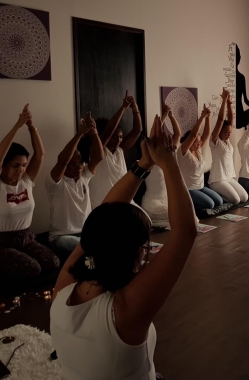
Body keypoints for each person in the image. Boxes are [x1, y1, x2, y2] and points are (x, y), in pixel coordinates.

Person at [51, 115, 197, 380]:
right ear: (136, 254)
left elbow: (107, 212)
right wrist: (169, 161)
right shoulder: (124, 312)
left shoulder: (63, 288)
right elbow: (185, 233)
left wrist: (143, 165)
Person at [0, 104, 59, 279]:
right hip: (2, 243)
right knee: (33, 268)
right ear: (3, 166)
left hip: (26, 238)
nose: (21, 170)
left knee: (53, 262)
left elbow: (40, 155)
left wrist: (31, 126)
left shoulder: (26, 181)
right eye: (15, 165)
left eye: (24, 165)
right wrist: (18, 125)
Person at [46, 113, 104, 254]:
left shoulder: (84, 178)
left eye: (80, 163)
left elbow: (98, 157)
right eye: (73, 164)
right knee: (86, 246)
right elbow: (63, 160)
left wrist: (94, 133)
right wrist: (79, 134)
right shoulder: (56, 182)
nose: (79, 167)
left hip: (86, 233)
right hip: (61, 237)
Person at [89, 90, 143, 209]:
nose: (118, 140)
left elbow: (137, 131)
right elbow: (107, 132)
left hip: (122, 200)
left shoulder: (120, 150)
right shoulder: (97, 150)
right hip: (102, 203)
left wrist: (135, 109)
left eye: (120, 137)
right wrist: (123, 108)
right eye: (114, 137)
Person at [141, 103, 182, 226]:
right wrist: (163, 116)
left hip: (167, 198)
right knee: (178, 214)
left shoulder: (170, 154)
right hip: (153, 201)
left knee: (184, 210)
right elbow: (153, 136)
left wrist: (171, 115)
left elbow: (178, 134)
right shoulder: (150, 157)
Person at [178, 103, 223, 214]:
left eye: (199, 142)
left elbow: (207, 133)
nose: (199, 144)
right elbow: (193, 135)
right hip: (188, 189)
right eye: (196, 142)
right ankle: (187, 205)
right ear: (189, 142)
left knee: (219, 201)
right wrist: (202, 117)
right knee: (210, 204)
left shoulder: (198, 150)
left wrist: (208, 117)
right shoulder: (183, 151)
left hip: (200, 186)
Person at [208, 88, 249, 204]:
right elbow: (220, 120)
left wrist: (229, 103)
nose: (229, 134)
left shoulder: (227, 142)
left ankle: (223, 197)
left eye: (230, 132)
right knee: (236, 200)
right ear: (220, 131)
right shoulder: (215, 141)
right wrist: (224, 101)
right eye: (226, 132)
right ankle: (218, 196)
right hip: (217, 180)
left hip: (229, 177)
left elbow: (231, 119)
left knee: (244, 198)